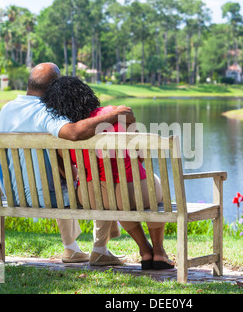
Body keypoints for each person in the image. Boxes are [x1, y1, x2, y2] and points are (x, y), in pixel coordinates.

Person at [0, 62, 136, 266]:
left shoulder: (6, 110)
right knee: (98, 182)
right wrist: (114, 115)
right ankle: (99, 250)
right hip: (45, 197)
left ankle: (71, 249)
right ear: (54, 86)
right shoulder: (45, 112)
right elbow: (73, 132)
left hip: (13, 194)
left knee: (61, 178)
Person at [41, 75, 174, 270]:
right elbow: (141, 155)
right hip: (129, 190)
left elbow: (67, 169)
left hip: (90, 196)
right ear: (86, 94)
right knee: (152, 188)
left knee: (114, 198)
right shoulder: (116, 113)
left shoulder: (64, 131)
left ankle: (145, 250)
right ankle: (159, 252)